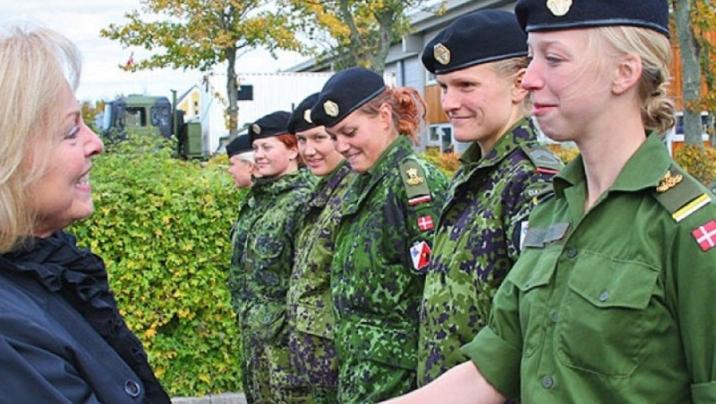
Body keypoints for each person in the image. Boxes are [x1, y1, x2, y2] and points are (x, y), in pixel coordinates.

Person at [384, 0, 716, 402]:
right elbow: (492, 368)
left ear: (624, 72)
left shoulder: (688, 228)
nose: (529, 79)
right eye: (531, 58)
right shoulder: (553, 212)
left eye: (553, 59)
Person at [0, 25, 169, 403]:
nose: (96, 143)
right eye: (70, 131)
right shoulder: (10, 338)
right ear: (8, 156)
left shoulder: (46, 270)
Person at [417, 10, 562, 385]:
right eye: (444, 87)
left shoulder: (531, 183)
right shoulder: (472, 175)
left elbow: (537, 329)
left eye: (466, 85)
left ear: (519, 85)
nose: (449, 103)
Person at [310, 67, 449, 402]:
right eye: (334, 136)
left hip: (401, 384)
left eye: (349, 132)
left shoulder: (412, 185)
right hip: (362, 377)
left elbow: (436, 296)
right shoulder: (366, 185)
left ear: (384, 116)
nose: (341, 146)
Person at [229, 110, 315, 403]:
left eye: (267, 147)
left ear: (292, 150)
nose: (259, 155)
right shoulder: (259, 200)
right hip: (255, 342)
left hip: (287, 350)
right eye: (255, 148)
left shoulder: (303, 202)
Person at [286, 92, 357, 403]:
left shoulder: (355, 193)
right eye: (302, 140)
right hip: (315, 362)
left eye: (319, 138)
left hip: (342, 361)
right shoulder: (321, 194)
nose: (308, 150)